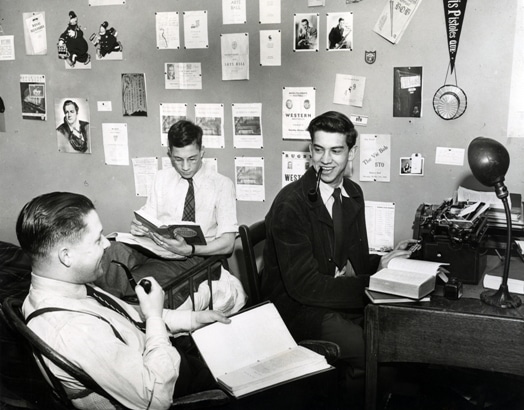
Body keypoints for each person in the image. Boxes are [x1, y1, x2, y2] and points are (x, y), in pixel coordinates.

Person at [17, 192, 230, 409]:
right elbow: (156, 398)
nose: (107, 245)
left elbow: (128, 315)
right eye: (98, 238)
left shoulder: (67, 286)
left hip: (163, 354)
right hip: (170, 384)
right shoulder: (75, 330)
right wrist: (155, 316)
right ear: (66, 256)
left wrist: (193, 319)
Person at [261, 111, 414, 407]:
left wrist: (380, 264)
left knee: (397, 342)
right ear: (311, 151)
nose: (325, 160)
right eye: (318, 150)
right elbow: (304, 287)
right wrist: (375, 284)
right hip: (298, 308)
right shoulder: (290, 204)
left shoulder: (352, 193)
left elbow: (348, 257)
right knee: (374, 353)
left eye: (336, 150)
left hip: (334, 295)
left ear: (351, 152)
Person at [96, 120, 239, 303]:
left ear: (202, 152)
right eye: (178, 159)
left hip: (194, 256)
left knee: (141, 281)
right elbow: (148, 217)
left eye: (192, 158)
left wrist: (190, 249)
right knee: (110, 252)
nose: (185, 166)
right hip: (155, 247)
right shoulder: (162, 178)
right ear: (170, 154)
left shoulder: (222, 185)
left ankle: (113, 304)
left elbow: (227, 244)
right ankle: (104, 304)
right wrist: (138, 226)